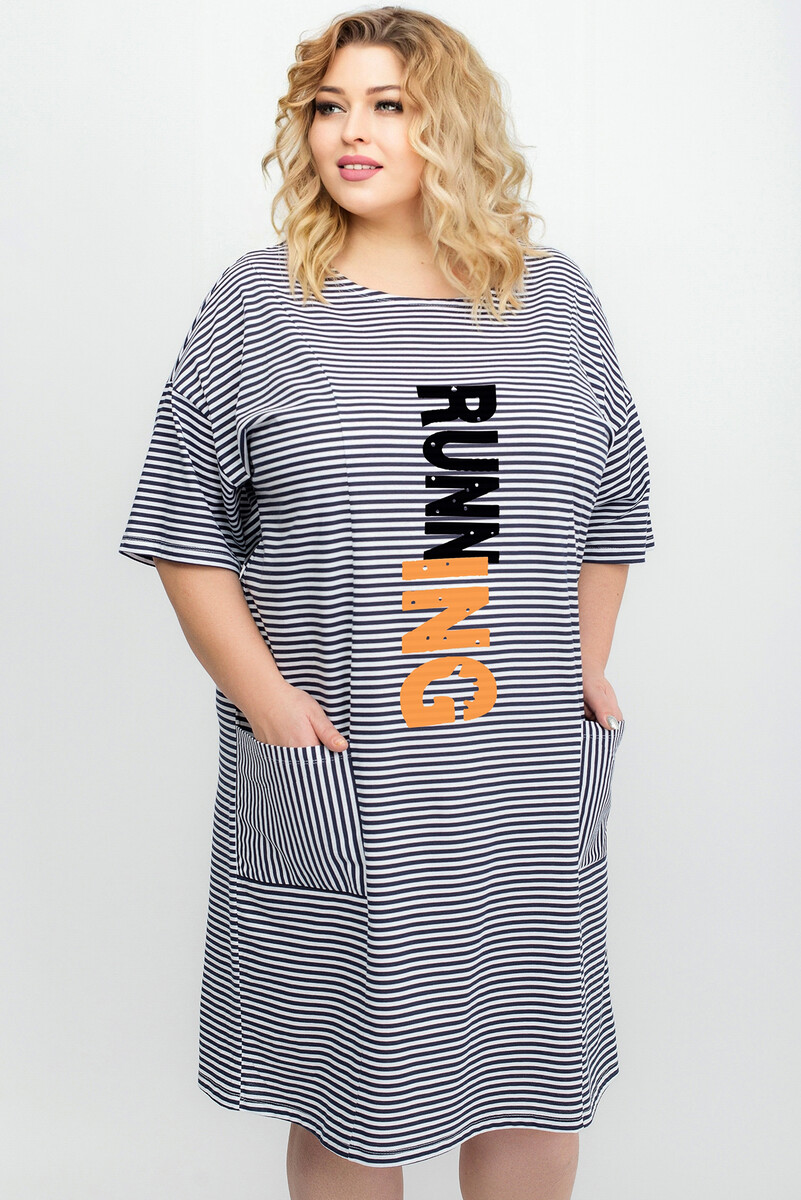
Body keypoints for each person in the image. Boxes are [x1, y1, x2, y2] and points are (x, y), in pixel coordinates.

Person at [118, 7, 655, 1199]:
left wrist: (582, 662)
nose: (348, 133)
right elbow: (183, 530)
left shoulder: (556, 300)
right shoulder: (261, 304)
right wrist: (267, 705)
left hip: (521, 779)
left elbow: (614, 506)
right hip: (352, 770)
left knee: (533, 1082)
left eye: (387, 105)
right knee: (355, 1104)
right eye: (329, 107)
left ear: (452, 123)